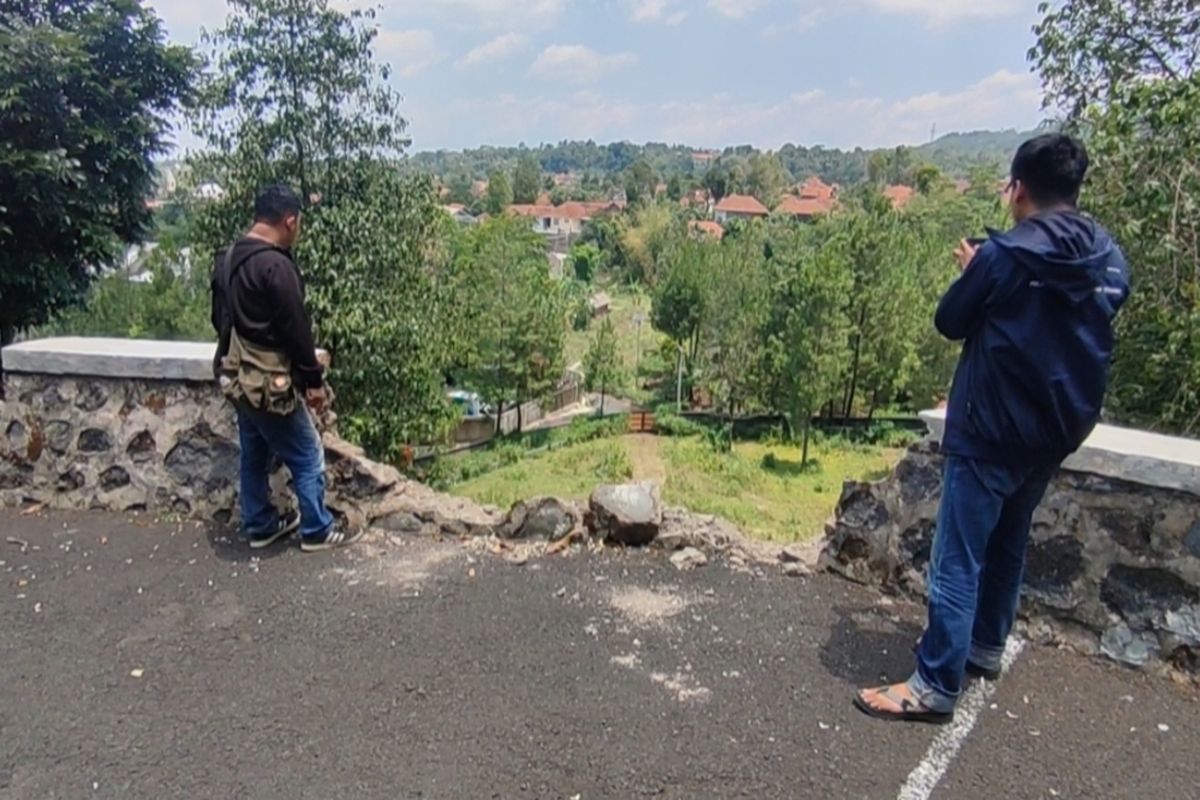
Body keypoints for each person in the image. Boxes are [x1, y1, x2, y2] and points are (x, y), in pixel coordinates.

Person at [854, 133, 1130, 724]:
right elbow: (1109, 303)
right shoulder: (1106, 256)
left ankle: (934, 684)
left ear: (1018, 189)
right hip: (1056, 428)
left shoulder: (1005, 256)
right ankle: (985, 647)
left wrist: (979, 272)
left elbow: (950, 320)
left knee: (958, 557)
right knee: (1009, 543)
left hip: (991, 426)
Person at [211, 185, 362, 553]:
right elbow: (297, 330)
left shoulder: (226, 258)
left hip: (238, 377)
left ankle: (260, 524)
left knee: (255, 452)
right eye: (300, 224)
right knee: (308, 452)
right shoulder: (276, 266)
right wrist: (312, 381)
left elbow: (219, 320)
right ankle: (317, 529)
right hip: (272, 381)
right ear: (289, 221)